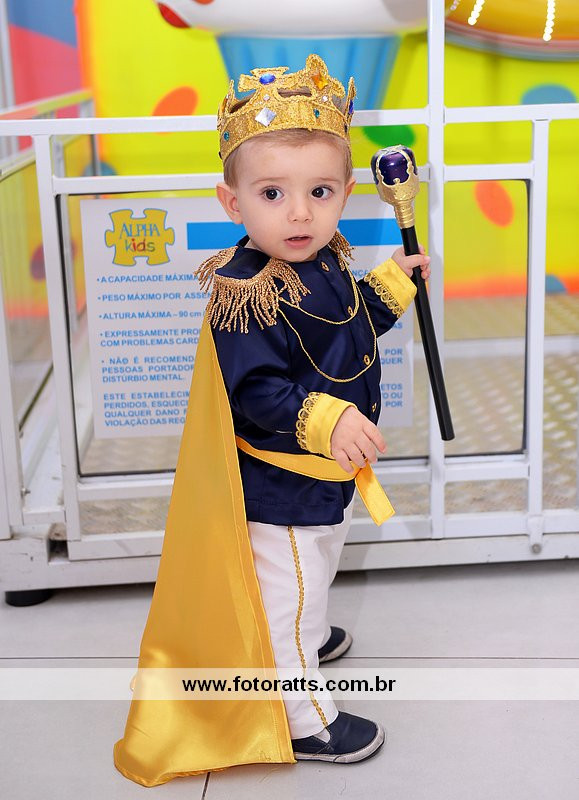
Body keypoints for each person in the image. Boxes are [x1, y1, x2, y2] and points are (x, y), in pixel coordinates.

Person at [113, 53, 430, 787]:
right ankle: (305, 719)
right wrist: (327, 419)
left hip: (327, 476)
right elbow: (256, 392)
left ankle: (306, 635)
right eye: (272, 194)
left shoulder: (324, 260)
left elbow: (346, 328)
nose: (299, 213)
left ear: (346, 193)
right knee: (290, 586)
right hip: (280, 487)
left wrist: (391, 284)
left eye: (319, 192)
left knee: (318, 566)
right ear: (232, 204)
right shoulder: (245, 289)